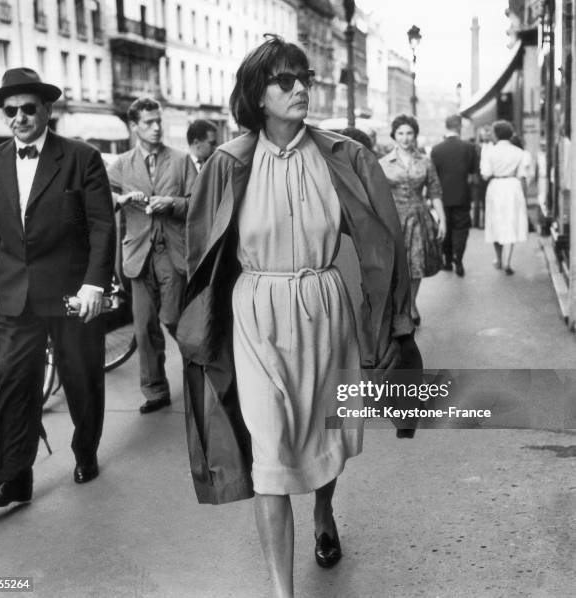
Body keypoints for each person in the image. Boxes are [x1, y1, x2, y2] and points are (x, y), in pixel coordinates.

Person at [178, 36, 418, 598]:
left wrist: (392, 324)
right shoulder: (229, 163)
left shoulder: (344, 156)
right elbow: (200, 252)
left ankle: (324, 512)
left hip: (324, 309)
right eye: (285, 81)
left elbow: (384, 245)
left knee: (324, 432)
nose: (300, 89)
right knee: (271, 453)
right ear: (258, 96)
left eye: (304, 78)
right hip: (256, 315)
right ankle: (282, 591)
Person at [0, 68, 115, 507]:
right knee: (14, 382)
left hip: (72, 293)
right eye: (10, 110)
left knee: (80, 376)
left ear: (47, 110)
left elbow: (101, 227)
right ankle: (12, 478)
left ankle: (85, 451)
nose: (19, 117)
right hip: (16, 293)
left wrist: (96, 283)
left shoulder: (81, 157)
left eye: (28, 108)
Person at [107, 97, 196, 414]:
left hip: (172, 252)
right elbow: (103, 201)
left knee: (175, 320)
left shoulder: (181, 160)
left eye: (158, 121)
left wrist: (170, 203)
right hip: (138, 255)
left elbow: (195, 203)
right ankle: (155, 391)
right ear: (134, 126)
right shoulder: (121, 164)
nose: (157, 127)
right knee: (144, 327)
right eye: (149, 122)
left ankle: (202, 375)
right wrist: (122, 197)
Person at [379, 114, 445, 326]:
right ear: (394, 136)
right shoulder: (383, 163)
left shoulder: (425, 161)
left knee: (416, 263)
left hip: (418, 217)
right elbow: (378, 195)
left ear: (415, 135)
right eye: (401, 133)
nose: (405, 138)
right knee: (398, 266)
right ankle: (401, 305)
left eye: (409, 133)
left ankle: (411, 304)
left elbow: (435, 191)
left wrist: (442, 220)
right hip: (393, 218)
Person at [431, 114, 478, 276]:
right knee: (461, 228)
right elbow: (473, 173)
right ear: (459, 126)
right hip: (462, 194)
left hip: (442, 196)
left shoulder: (436, 149)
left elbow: (433, 175)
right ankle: (458, 257)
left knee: (445, 228)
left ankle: (448, 259)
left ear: (446, 126)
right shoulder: (469, 148)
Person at [481, 120, 529, 275]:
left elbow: (485, 175)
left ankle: (498, 258)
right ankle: (508, 261)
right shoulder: (520, 152)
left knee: (495, 222)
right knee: (511, 221)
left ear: (496, 134)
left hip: (496, 186)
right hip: (513, 187)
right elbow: (523, 176)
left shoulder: (490, 152)